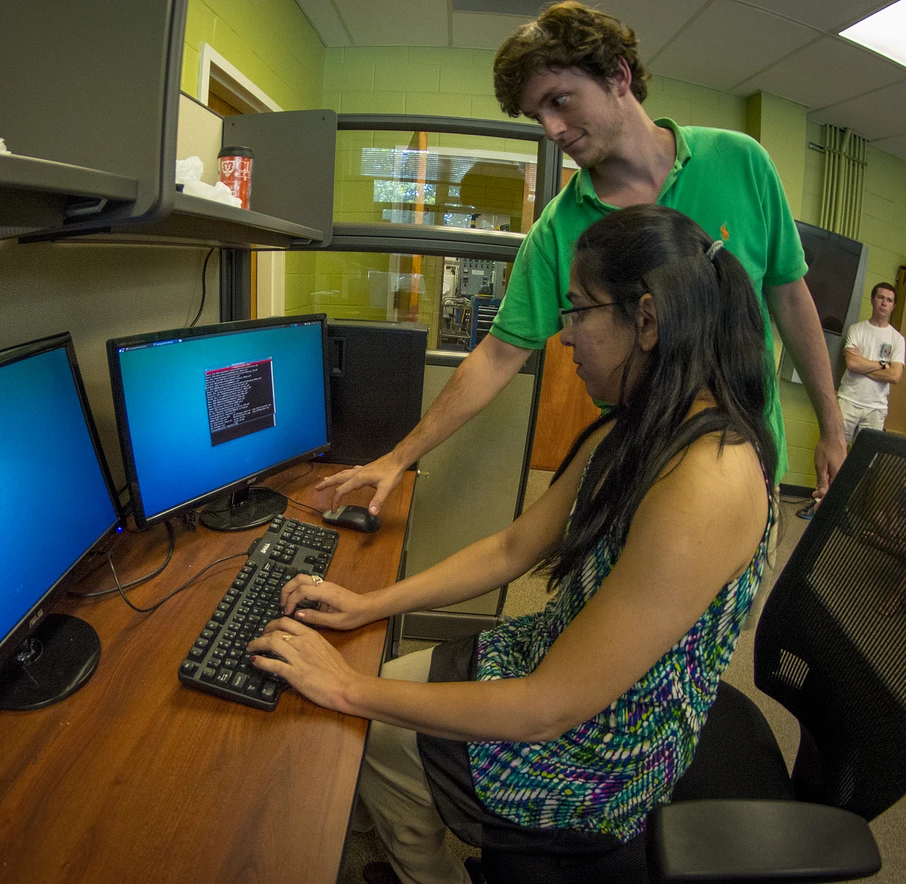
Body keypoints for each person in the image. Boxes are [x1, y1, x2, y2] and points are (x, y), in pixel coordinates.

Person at [251, 205, 777, 884]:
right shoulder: (638, 425)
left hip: (601, 756)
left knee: (369, 727)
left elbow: (547, 709)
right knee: (366, 708)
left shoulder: (707, 481)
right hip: (549, 659)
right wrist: (366, 604)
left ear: (646, 320)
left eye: (578, 310)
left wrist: (349, 687)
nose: (564, 335)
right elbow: (510, 550)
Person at [317, 0, 844, 522]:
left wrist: (831, 425)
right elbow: (497, 356)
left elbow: (790, 297)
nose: (551, 129)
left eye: (560, 100)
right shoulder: (558, 229)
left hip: (750, 465)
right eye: (537, 115)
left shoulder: (741, 162)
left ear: (618, 75)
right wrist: (399, 457)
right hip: (643, 476)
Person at [837, 282, 903, 443]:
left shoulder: (898, 339)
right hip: (848, 401)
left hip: (876, 408)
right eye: (880, 297)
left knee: (867, 456)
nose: (884, 303)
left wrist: (862, 366)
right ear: (873, 299)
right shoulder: (856, 329)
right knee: (836, 450)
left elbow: (894, 376)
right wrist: (883, 364)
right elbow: (852, 364)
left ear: (893, 306)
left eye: (889, 300)